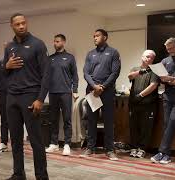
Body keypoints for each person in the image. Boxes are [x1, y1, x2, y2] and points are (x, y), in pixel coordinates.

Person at [3, 13, 50, 180]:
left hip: (31, 97)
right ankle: (18, 174)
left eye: (23, 23)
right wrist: (6, 66)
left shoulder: (38, 44)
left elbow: (46, 75)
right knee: (15, 140)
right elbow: (3, 74)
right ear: (12, 26)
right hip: (12, 98)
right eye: (17, 24)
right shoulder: (9, 47)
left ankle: (42, 176)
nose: (21, 26)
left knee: (36, 141)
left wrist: (40, 99)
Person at [81, 29, 121, 161]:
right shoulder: (90, 54)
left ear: (105, 37)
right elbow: (86, 73)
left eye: (97, 36)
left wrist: (103, 87)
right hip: (92, 91)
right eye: (93, 36)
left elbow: (115, 73)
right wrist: (94, 86)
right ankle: (90, 148)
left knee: (108, 121)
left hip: (107, 92)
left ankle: (109, 150)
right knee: (91, 120)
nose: (95, 38)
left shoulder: (113, 52)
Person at [45, 34, 79, 156]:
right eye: (54, 41)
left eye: (57, 41)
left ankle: (67, 145)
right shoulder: (50, 58)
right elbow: (46, 76)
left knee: (67, 119)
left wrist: (75, 90)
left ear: (63, 42)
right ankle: (54, 144)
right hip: (53, 92)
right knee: (53, 119)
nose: (55, 43)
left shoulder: (70, 58)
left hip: (65, 92)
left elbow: (75, 76)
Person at [128, 50, 158, 158]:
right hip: (133, 103)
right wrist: (140, 71)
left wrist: (140, 95)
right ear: (142, 57)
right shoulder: (135, 69)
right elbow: (130, 76)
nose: (148, 59)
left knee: (146, 127)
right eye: (146, 56)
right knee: (134, 126)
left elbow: (153, 85)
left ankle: (142, 148)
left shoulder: (155, 71)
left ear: (153, 59)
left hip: (147, 103)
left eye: (151, 57)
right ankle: (134, 147)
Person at [151, 37, 175, 164]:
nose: (169, 51)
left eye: (171, 48)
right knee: (167, 124)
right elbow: (159, 77)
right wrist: (165, 79)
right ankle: (166, 154)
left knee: (172, 123)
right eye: (167, 49)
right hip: (167, 96)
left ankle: (162, 152)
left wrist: (171, 80)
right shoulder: (165, 60)